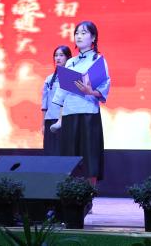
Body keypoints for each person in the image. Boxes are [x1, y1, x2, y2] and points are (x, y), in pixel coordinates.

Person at [52, 20, 110, 184]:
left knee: (90, 154)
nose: (79, 36)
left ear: (93, 38)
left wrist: (90, 91)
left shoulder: (98, 59)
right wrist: (59, 117)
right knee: (70, 154)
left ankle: (89, 193)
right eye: (77, 33)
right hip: (70, 113)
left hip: (88, 112)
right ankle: (70, 191)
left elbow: (105, 85)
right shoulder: (70, 62)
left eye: (84, 33)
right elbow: (62, 90)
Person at [42, 46, 72, 155]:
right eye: (56, 55)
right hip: (50, 119)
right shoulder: (49, 79)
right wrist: (43, 124)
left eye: (61, 55)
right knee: (50, 154)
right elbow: (45, 104)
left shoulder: (72, 77)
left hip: (67, 121)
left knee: (64, 153)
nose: (58, 58)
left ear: (68, 57)